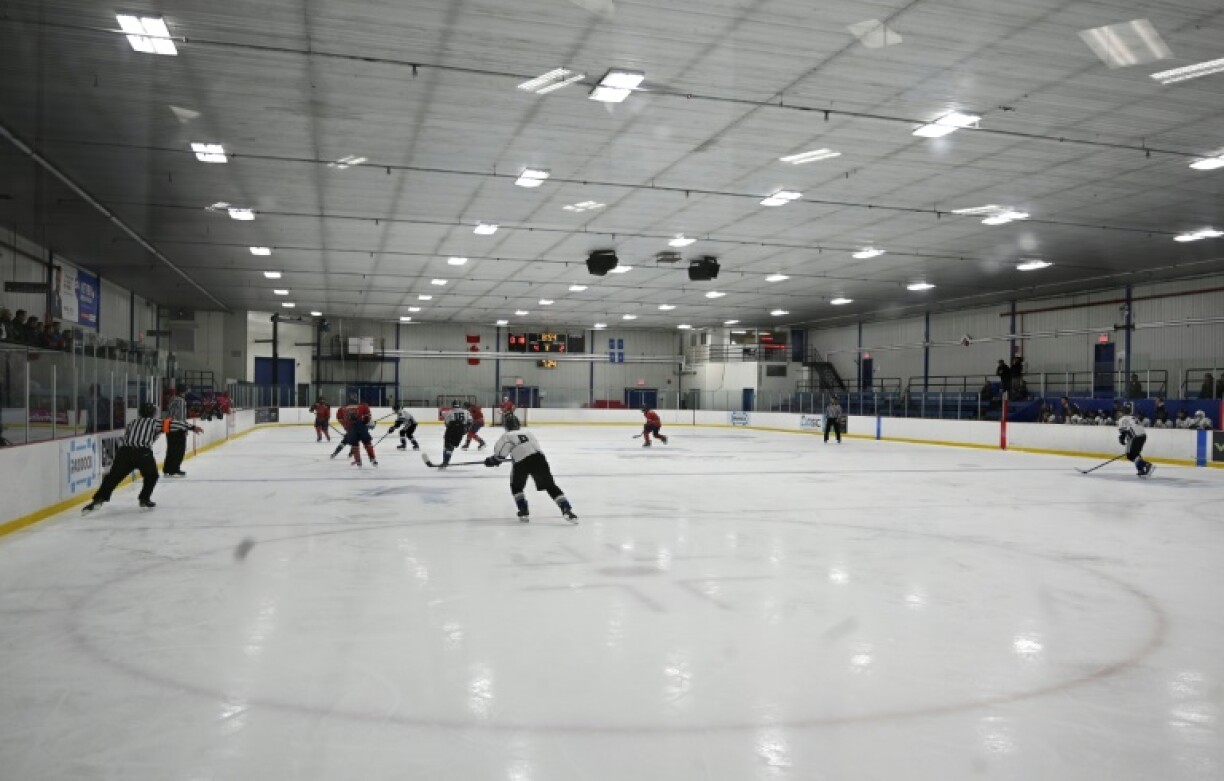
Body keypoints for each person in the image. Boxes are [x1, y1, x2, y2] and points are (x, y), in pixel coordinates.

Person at [82, 402, 202, 513]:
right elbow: (174, 424)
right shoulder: (155, 422)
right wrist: (192, 427)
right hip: (143, 453)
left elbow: (128, 437)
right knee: (152, 475)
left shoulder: (132, 423)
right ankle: (144, 499)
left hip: (124, 453)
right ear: (153, 413)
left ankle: (99, 499)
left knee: (113, 477)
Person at [484, 412, 577, 523]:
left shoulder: (507, 436)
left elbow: (500, 455)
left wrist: (491, 461)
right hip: (539, 459)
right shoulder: (528, 433)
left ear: (506, 426)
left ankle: (523, 510)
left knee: (516, 486)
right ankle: (566, 508)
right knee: (550, 486)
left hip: (521, 462)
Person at [336, 394, 377, 467]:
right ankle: (373, 459)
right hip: (361, 427)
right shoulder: (364, 406)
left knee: (355, 445)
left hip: (351, 430)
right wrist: (366, 423)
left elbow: (340, 419)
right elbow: (367, 417)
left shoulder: (342, 409)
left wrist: (346, 427)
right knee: (367, 443)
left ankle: (358, 461)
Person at [1117, 403, 1154, 477]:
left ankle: (1146, 465)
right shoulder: (1133, 418)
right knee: (1136, 454)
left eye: (1120, 411)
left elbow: (1124, 432)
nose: (1119, 413)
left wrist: (1121, 439)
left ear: (1123, 412)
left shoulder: (1122, 419)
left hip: (1135, 437)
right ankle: (1141, 470)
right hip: (1143, 436)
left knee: (1130, 455)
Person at [163, 385, 189, 477]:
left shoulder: (172, 399)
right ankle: (174, 469)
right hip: (177, 428)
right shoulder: (181, 401)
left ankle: (167, 468)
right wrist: (185, 428)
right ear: (183, 392)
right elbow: (181, 417)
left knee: (171, 449)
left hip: (169, 427)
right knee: (179, 450)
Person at [437, 400, 471, 469]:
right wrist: (466, 430)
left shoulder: (449, 412)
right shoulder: (466, 412)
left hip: (451, 429)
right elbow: (470, 421)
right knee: (452, 446)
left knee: (447, 446)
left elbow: (447, 423)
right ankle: (446, 461)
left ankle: (445, 461)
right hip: (461, 430)